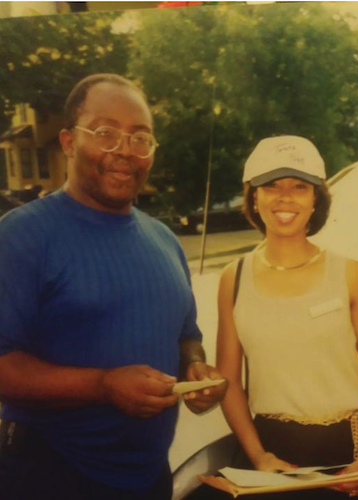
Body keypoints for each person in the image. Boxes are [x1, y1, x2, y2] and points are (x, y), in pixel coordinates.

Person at [0, 73, 226, 500]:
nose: (124, 151)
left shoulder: (163, 240)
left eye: (140, 138)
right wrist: (104, 385)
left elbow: (186, 336)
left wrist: (196, 369)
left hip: (150, 479)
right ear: (69, 142)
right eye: (106, 133)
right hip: (50, 474)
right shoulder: (21, 237)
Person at [213, 135, 358, 499]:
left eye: (300, 186)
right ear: (254, 196)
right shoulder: (232, 279)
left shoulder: (350, 274)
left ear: (316, 198)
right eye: (272, 185)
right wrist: (259, 456)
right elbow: (229, 382)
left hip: (349, 453)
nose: (285, 197)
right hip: (270, 455)